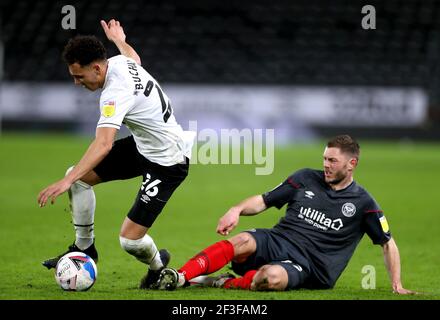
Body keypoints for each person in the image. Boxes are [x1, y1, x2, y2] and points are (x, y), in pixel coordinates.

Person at [37, 19, 195, 289]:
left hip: (168, 160)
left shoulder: (114, 92)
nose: (77, 83)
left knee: (130, 241)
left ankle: (158, 267)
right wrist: (119, 40)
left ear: (97, 68)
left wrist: (65, 182)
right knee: (78, 178)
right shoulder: (119, 63)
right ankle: (85, 249)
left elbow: (104, 144)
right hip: (144, 145)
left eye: (79, 76)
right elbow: (134, 58)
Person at [155, 135, 416, 294]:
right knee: (242, 240)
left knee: (269, 278)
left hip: (311, 266)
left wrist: (397, 284)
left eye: (333, 161)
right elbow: (264, 201)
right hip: (279, 239)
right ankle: (179, 276)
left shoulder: (364, 203)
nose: (325, 164)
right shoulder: (305, 178)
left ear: (352, 164)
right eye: (325, 158)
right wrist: (236, 209)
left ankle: (220, 283)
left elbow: (387, 243)